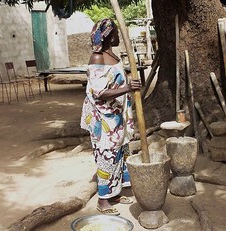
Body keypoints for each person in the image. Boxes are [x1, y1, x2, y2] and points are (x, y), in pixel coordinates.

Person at [80, 18, 142, 215]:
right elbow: (99, 93)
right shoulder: (97, 58)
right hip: (103, 118)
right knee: (106, 155)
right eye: (114, 33)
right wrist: (127, 88)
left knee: (119, 153)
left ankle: (115, 193)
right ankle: (103, 200)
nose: (117, 37)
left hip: (116, 115)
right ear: (107, 35)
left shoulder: (112, 55)